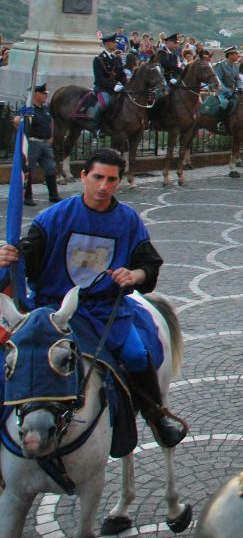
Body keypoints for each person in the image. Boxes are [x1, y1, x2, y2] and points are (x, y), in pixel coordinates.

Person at [0, 148, 187, 447]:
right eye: (97, 177)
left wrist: (134, 276)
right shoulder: (54, 217)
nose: (103, 186)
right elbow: (29, 257)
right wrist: (10, 256)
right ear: (83, 176)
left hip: (104, 309)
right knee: (13, 356)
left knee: (137, 355)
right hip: (52, 309)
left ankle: (156, 415)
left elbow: (148, 264)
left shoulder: (128, 221)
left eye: (111, 180)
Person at [16, 83, 62, 205]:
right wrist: (23, 136)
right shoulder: (28, 108)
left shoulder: (45, 108)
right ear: (35, 94)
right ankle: (28, 196)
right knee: (29, 170)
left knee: (50, 168)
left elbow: (51, 120)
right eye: (43, 93)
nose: (45, 95)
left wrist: (51, 136)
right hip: (32, 142)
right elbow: (17, 120)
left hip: (45, 143)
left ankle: (53, 195)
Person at [74, 33, 125, 123]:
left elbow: (121, 75)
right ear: (106, 44)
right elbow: (100, 79)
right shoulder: (99, 59)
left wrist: (127, 85)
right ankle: (96, 126)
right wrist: (114, 86)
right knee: (105, 103)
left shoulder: (117, 58)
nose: (116, 44)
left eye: (115, 42)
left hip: (115, 88)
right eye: (113, 42)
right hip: (103, 89)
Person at [213, 46, 241, 131]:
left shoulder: (235, 66)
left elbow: (238, 79)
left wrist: (240, 87)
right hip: (221, 90)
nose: (237, 56)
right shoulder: (220, 65)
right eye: (236, 54)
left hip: (232, 90)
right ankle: (220, 122)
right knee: (224, 103)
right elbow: (218, 80)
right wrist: (226, 91)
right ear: (230, 55)